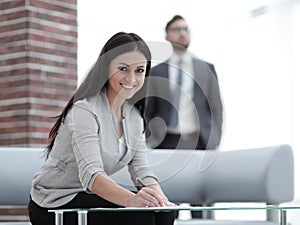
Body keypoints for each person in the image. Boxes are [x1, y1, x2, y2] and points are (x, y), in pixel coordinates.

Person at [28, 32, 175, 225]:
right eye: (123, 68)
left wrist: (161, 201)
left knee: (164, 213)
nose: (131, 78)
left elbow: (141, 169)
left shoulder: (134, 117)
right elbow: (92, 176)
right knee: (140, 214)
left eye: (139, 70)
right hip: (54, 203)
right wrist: (132, 200)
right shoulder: (84, 110)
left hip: (86, 197)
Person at [145, 15, 223, 151]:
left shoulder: (207, 69)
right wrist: (150, 138)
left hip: (200, 141)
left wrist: (214, 140)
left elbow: (216, 108)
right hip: (164, 142)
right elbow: (148, 110)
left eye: (185, 29)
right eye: (176, 30)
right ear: (167, 36)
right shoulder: (156, 72)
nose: (182, 33)